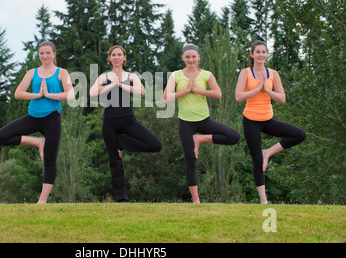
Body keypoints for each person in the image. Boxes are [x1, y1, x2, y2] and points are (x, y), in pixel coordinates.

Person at [0, 41, 74, 204]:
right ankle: (38, 142)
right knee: (1, 137)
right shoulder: (32, 72)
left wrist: (49, 95)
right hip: (32, 117)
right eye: (41, 53)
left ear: (54, 54)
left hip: (52, 118)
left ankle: (42, 201)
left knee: (50, 159)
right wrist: (37, 94)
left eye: (47, 53)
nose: (44, 56)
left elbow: (70, 95)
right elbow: (18, 93)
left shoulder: (62, 72)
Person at [163, 43, 240, 203]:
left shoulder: (206, 75)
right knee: (190, 160)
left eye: (193, 57)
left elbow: (218, 94)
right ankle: (196, 201)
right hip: (185, 123)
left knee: (234, 136)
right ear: (183, 58)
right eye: (187, 57)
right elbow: (166, 97)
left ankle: (199, 138)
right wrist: (185, 91)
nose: (191, 60)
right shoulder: (176, 75)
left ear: (198, 57)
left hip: (204, 121)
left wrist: (197, 90)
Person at [235, 40, 306, 204]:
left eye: (263, 52)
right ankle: (263, 200)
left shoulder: (273, 74)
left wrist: (266, 89)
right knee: (257, 162)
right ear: (252, 55)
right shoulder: (246, 73)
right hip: (251, 120)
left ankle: (268, 152)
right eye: (257, 52)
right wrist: (257, 88)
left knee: (299, 134)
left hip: (268, 119)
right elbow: (238, 97)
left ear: (267, 54)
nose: (261, 55)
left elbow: (282, 98)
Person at [89, 45, 162, 202]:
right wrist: (111, 84)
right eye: (113, 54)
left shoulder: (131, 76)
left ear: (124, 58)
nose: (116, 57)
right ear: (109, 58)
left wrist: (120, 84)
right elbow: (92, 93)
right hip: (109, 122)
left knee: (155, 145)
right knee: (115, 161)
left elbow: (142, 91)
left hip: (128, 120)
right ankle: (121, 198)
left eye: (119, 54)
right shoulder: (104, 77)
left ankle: (121, 142)